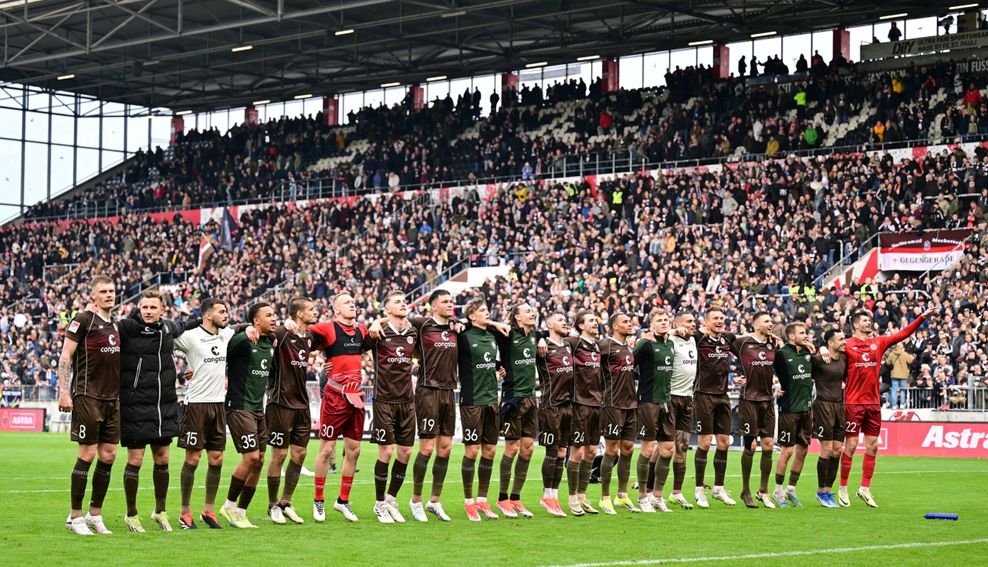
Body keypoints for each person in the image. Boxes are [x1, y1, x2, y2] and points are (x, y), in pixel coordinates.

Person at [838, 308, 935, 507]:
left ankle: (864, 488)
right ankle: (843, 488)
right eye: (865, 320)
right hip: (853, 402)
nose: (869, 322)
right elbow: (828, 349)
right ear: (855, 324)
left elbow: (903, 334)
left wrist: (922, 317)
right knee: (852, 445)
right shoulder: (846, 345)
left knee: (873, 446)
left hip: (873, 402)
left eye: (870, 320)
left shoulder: (878, 342)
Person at [117, 289, 196, 533]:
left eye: (153, 307)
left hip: (164, 405)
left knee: (162, 459)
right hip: (135, 406)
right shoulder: (127, 328)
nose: (148, 311)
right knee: (136, 460)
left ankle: (160, 511)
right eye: (145, 307)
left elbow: (193, 323)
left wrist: (244, 327)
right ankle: (131, 514)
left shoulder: (168, 329)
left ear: (162, 309)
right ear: (139, 308)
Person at [59, 275, 121, 536]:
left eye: (112, 290)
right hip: (87, 396)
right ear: (93, 295)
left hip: (112, 399)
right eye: (103, 291)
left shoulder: (116, 326)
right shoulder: (83, 320)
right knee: (87, 455)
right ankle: (74, 517)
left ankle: (94, 514)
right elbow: (66, 355)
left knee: (109, 455)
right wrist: (64, 392)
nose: (109, 295)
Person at [174, 297, 241, 529]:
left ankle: (208, 511)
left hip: (217, 404)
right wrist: (180, 372)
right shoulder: (190, 337)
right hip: (196, 405)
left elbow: (241, 329)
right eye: (221, 312)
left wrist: (251, 327)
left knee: (217, 458)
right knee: (193, 458)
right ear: (207, 315)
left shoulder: (225, 335)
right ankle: (185, 512)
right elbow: (163, 344)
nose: (226, 315)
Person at [402, 289, 462, 522]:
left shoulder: (457, 328)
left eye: (451, 301)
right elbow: (396, 318)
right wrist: (377, 321)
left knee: (445, 448)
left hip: (449, 392)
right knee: (426, 448)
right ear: (433, 306)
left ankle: (434, 501)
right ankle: (415, 500)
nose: (450, 304)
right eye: (445, 302)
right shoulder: (422, 324)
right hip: (428, 390)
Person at [220, 301, 277, 529]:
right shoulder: (243, 339)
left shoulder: (269, 342)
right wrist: (242, 327)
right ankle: (228, 505)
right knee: (251, 457)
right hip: (238, 406)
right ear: (256, 320)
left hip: (257, 408)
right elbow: (218, 343)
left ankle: (242, 512)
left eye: (275, 315)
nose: (274, 318)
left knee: (260, 460)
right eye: (269, 315)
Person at [310, 293, 365, 522]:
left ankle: (342, 501)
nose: (352, 304)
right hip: (335, 396)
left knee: (354, 450)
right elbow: (305, 334)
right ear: (336, 310)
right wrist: (292, 322)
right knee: (326, 449)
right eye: (346, 302)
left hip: (356, 397)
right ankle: (318, 500)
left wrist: (379, 322)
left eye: (353, 301)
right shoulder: (327, 328)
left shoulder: (362, 331)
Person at [364, 290, 417, 524]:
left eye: (405, 301)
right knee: (386, 452)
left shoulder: (413, 330)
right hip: (384, 400)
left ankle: (391, 499)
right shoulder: (377, 332)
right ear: (387, 309)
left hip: (407, 401)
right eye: (397, 302)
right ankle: (378, 504)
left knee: (405, 452)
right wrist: (376, 321)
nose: (403, 304)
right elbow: (352, 346)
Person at [457, 298, 503, 521]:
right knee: (472, 451)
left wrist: (498, 368)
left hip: (491, 400)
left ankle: (483, 500)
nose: (487, 312)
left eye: (487, 309)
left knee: (490, 451)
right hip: (472, 400)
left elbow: (489, 361)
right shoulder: (463, 336)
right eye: (482, 310)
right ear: (472, 316)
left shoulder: (492, 337)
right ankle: (468, 502)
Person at [494, 303, 539, 519]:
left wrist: (542, 340)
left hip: (531, 398)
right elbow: (481, 332)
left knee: (528, 448)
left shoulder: (536, 335)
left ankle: (516, 498)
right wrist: (495, 365)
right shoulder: (507, 334)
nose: (533, 312)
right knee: (511, 448)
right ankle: (502, 499)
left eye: (533, 310)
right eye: (527, 311)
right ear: (517, 317)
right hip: (513, 398)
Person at [690, 306, 738, 508]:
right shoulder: (699, 338)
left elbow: (748, 349)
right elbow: (680, 332)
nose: (719, 321)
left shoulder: (727, 339)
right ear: (706, 321)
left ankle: (718, 488)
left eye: (722, 318)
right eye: (715, 318)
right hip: (703, 396)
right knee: (704, 443)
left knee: (724, 442)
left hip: (723, 396)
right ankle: (699, 489)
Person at [732, 312, 780, 509]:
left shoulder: (774, 344)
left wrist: (781, 383)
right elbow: (723, 340)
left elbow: (782, 365)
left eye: (771, 321)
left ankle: (763, 490)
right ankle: (745, 490)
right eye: (767, 321)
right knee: (751, 446)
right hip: (749, 399)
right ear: (756, 324)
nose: (771, 323)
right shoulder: (743, 342)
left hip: (767, 400)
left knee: (768, 445)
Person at [597, 312, 639, 514]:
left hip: (631, 404)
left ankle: (622, 495)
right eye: (625, 322)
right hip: (612, 403)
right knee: (611, 450)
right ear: (614, 326)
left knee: (628, 448)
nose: (629, 324)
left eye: (630, 321)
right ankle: (604, 497)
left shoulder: (628, 347)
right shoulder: (605, 345)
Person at [633, 310, 675, 513]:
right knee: (648, 449)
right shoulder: (645, 344)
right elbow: (627, 365)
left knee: (668, 449)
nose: (664, 322)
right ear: (651, 325)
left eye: (666, 320)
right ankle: (642, 497)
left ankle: (657, 496)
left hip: (667, 401)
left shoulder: (671, 344)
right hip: (648, 401)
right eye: (659, 320)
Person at [535, 312, 575, 517]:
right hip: (551, 405)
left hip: (568, 405)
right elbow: (522, 336)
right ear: (549, 324)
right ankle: (547, 496)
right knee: (552, 452)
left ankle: (554, 496)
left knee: (562, 453)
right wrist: (539, 335)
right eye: (560, 319)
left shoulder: (569, 344)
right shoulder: (541, 346)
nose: (565, 322)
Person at [773, 322, 816, 508]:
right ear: (791, 336)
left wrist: (817, 350)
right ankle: (777, 490)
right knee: (787, 451)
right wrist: (775, 387)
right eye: (802, 333)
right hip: (789, 409)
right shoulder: (782, 354)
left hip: (806, 409)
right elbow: (766, 369)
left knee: (803, 450)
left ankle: (791, 488)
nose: (805, 335)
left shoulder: (808, 353)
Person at [565, 310, 603, 516]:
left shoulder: (599, 346)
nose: (595, 323)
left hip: (597, 404)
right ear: (580, 325)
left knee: (591, 452)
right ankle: (572, 498)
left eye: (595, 320)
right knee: (577, 452)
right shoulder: (573, 343)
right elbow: (554, 342)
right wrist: (544, 339)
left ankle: (582, 495)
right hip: (579, 403)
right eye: (590, 321)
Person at [664, 311, 698, 509]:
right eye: (689, 321)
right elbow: (648, 336)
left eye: (694, 321)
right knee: (663, 449)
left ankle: (677, 492)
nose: (693, 324)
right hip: (670, 398)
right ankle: (650, 492)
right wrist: (672, 330)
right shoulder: (669, 339)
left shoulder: (694, 340)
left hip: (687, 398)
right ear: (678, 324)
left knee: (682, 448)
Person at [811, 329, 846, 508]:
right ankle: (821, 491)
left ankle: (828, 490)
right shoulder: (818, 360)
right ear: (830, 343)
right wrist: (820, 349)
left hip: (840, 407)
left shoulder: (844, 359)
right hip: (823, 406)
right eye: (840, 339)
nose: (844, 341)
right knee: (826, 449)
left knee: (837, 450)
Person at [887, 343, 914, 409]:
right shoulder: (904, 354)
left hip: (894, 374)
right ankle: (902, 404)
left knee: (894, 390)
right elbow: (910, 361)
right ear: (902, 347)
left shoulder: (892, 354)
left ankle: (894, 405)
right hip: (903, 374)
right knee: (902, 389)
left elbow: (888, 363)